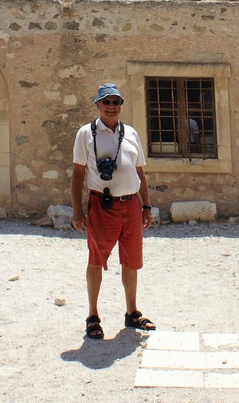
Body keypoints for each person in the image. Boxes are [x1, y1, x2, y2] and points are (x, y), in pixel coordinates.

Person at [71, 82, 156, 339]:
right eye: (106, 102)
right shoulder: (86, 134)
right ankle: (93, 316)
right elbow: (78, 174)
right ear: (98, 105)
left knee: (131, 260)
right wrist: (77, 211)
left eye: (115, 102)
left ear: (121, 105)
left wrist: (146, 205)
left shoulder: (131, 133)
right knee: (96, 260)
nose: (111, 106)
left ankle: (132, 312)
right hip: (102, 205)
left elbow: (140, 172)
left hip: (131, 205)